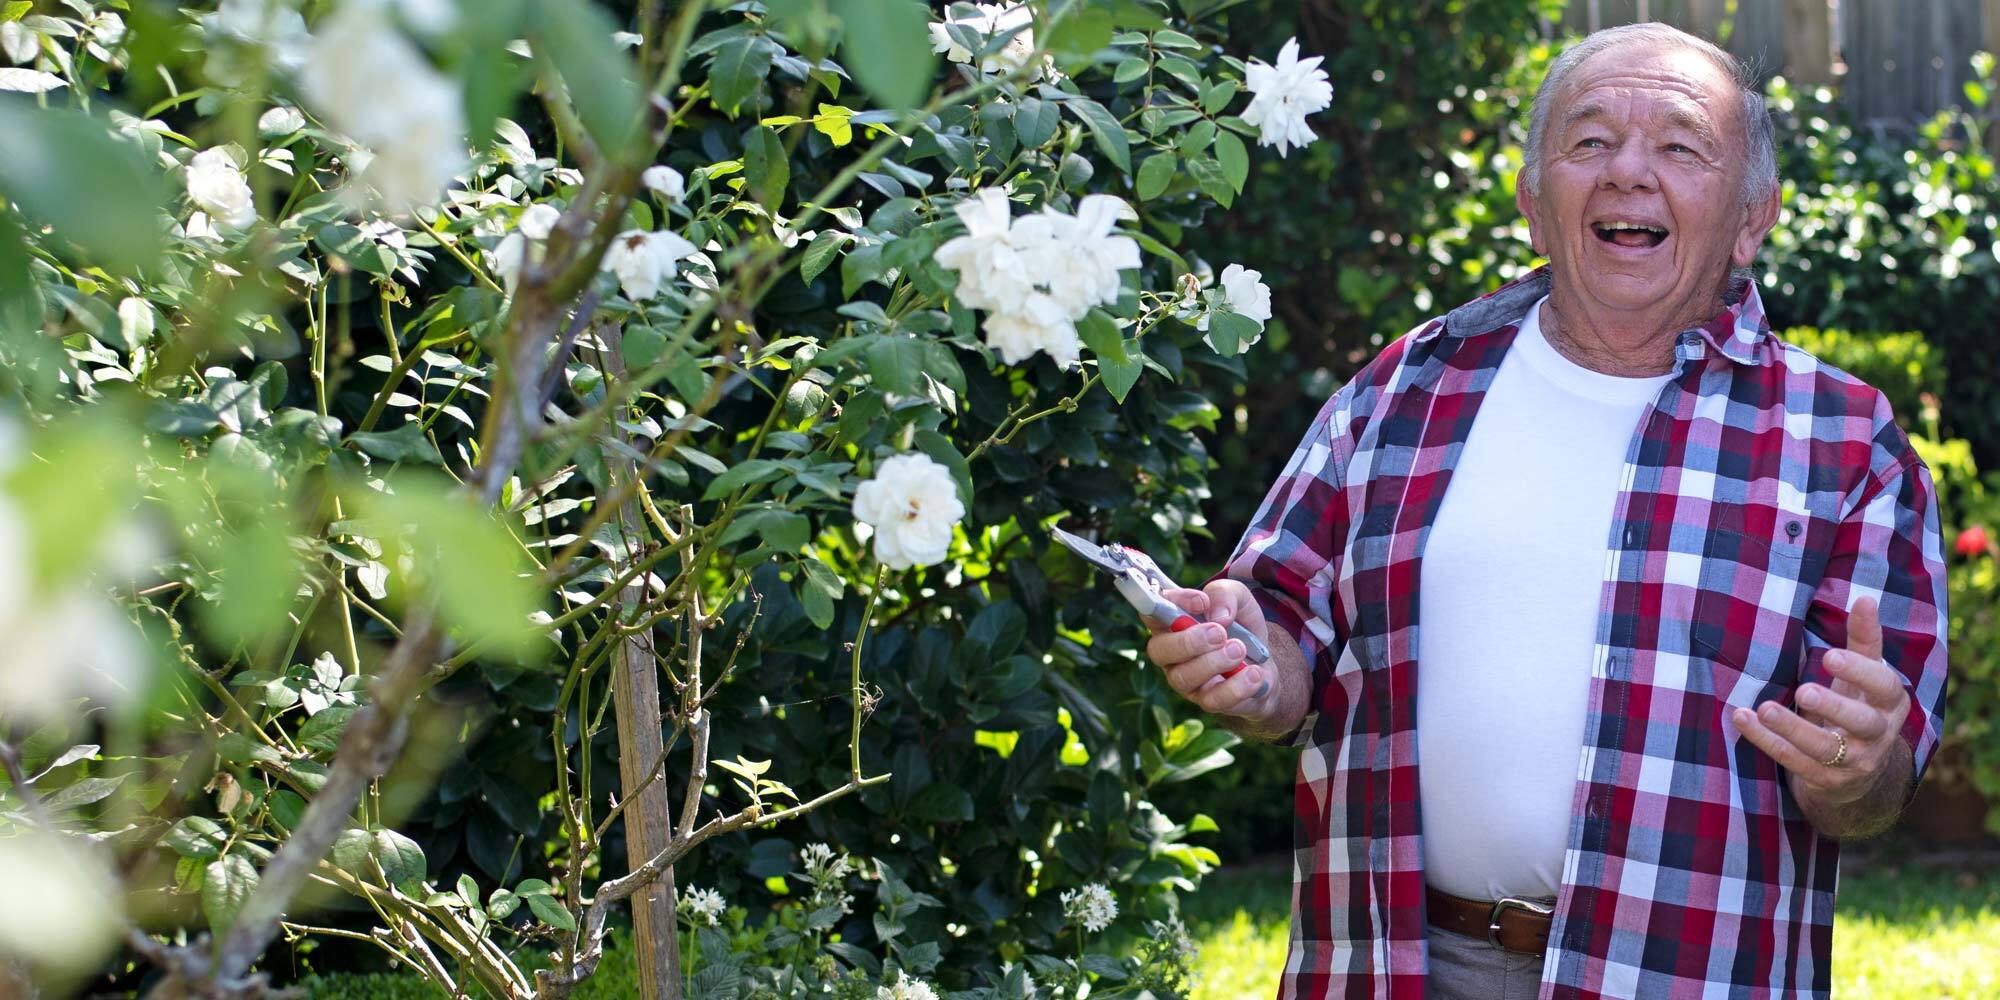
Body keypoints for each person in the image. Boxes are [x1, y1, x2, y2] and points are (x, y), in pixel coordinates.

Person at [1144, 22, 1949, 999]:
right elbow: (1279, 630)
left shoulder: (1842, 441)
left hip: (1680, 977)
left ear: (1749, 219)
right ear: (1532, 202)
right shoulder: (1406, 385)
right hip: (1391, 967)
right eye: (1589, 140)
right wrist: (1240, 658)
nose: (1627, 174)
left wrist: (1856, 762)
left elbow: (1868, 789)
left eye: (1680, 146)